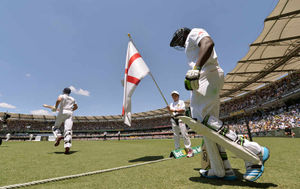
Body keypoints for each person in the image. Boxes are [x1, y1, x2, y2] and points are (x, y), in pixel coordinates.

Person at [170, 27, 269, 181]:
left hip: (207, 74)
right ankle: (222, 170)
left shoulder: (194, 32)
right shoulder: (190, 43)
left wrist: (196, 68)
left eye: (179, 40)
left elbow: (208, 43)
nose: (181, 44)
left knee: (203, 122)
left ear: (183, 34)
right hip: (204, 76)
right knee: (207, 128)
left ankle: (255, 152)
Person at [167, 91, 194, 158]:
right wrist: (169, 110)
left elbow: (183, 110)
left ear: (178, 96)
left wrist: (174, 110)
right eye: (173, 95)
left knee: (184, 134)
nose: (174, 96)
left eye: (175, 95)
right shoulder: (171, 104)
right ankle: (177, 149)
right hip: (173, 119)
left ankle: (189, 149)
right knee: (176, 135)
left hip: (180, 118)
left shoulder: (181, 102)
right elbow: (171, 113)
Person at [52, 87, 78, 154]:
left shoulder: (62, 95)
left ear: (63, 91)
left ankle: (59, 135)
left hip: (62, 112)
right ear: (69, 93)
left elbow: (58, 100)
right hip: (70, 113)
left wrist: (55, 107)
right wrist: (71, 110)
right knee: (68, 130)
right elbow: (76, 107)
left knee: (55, 127)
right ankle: (67, 147)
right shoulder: (73, 98)